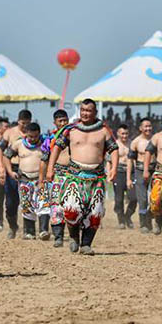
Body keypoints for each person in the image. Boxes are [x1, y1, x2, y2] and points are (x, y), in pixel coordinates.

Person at [46, 99, 117, 255]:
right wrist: (50, 169)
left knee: (95, 213)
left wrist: (114, 169)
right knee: (72, 210)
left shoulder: (104, 131)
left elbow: (114, 148)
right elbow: (56, 148)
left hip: (96, 177)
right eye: (83, 110)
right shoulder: (70, 130)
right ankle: (74, 237)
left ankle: (86, 244)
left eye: (89, 110)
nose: (85, 113)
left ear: (95, 112)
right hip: (74, 176)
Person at [4, 122, 49, 240]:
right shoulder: (18, 144)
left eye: (35, 136)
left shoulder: (45, 144)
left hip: (41, 179)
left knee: (43, 204)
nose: (33, 139)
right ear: (26, 135)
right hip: (24, 179)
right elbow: (6, 156)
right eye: (30, 136)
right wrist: (10, 172)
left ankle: (44, 230)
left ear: (39, 134)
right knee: (26, 205)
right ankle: (29, 232)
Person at [0, 110, 32, 239]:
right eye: (23, 123)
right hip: (11, 168)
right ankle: (13, 226)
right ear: (18, 121)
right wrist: (2, 167)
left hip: (28, 169)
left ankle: (29, 229)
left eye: (27, 123)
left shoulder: (33, 132)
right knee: (11, 202)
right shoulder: (9, 133)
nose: (25, 126)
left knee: (27, 200)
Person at [39, 109, 70, 246]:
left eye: (65, 120)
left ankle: (76, 236)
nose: (63, 123)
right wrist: (41, 180)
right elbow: (44, 161)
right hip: (56, 176)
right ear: (55, 123)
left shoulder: (75, 136)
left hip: (73, 176)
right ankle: (58, 237)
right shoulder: (50, 140)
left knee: (74, 207)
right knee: (56, 206)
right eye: (60, 121)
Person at [129, 118, 154, 233]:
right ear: (140, 128)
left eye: (149, 126)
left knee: (155, 197)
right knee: (142, 198)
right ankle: (143, 223)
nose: (148, 128)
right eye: (145, 126)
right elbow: (130, 161)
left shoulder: (155, 140)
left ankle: (153, 220)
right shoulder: (136, 142)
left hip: (155, 170)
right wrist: (128, 178)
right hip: (139, 171)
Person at [112, 124, 138, 229]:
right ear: (118, 133)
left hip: (131, 173)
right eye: (122, 133)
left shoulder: (132, 144)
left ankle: (128, 216)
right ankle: (121, 220)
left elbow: (135, 160)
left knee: (134, 198)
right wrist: (110, 173)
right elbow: (109, 160)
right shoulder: (114, 144)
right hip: (118, 172)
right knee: (119, 199)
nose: (124, 136)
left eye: (126, 133)